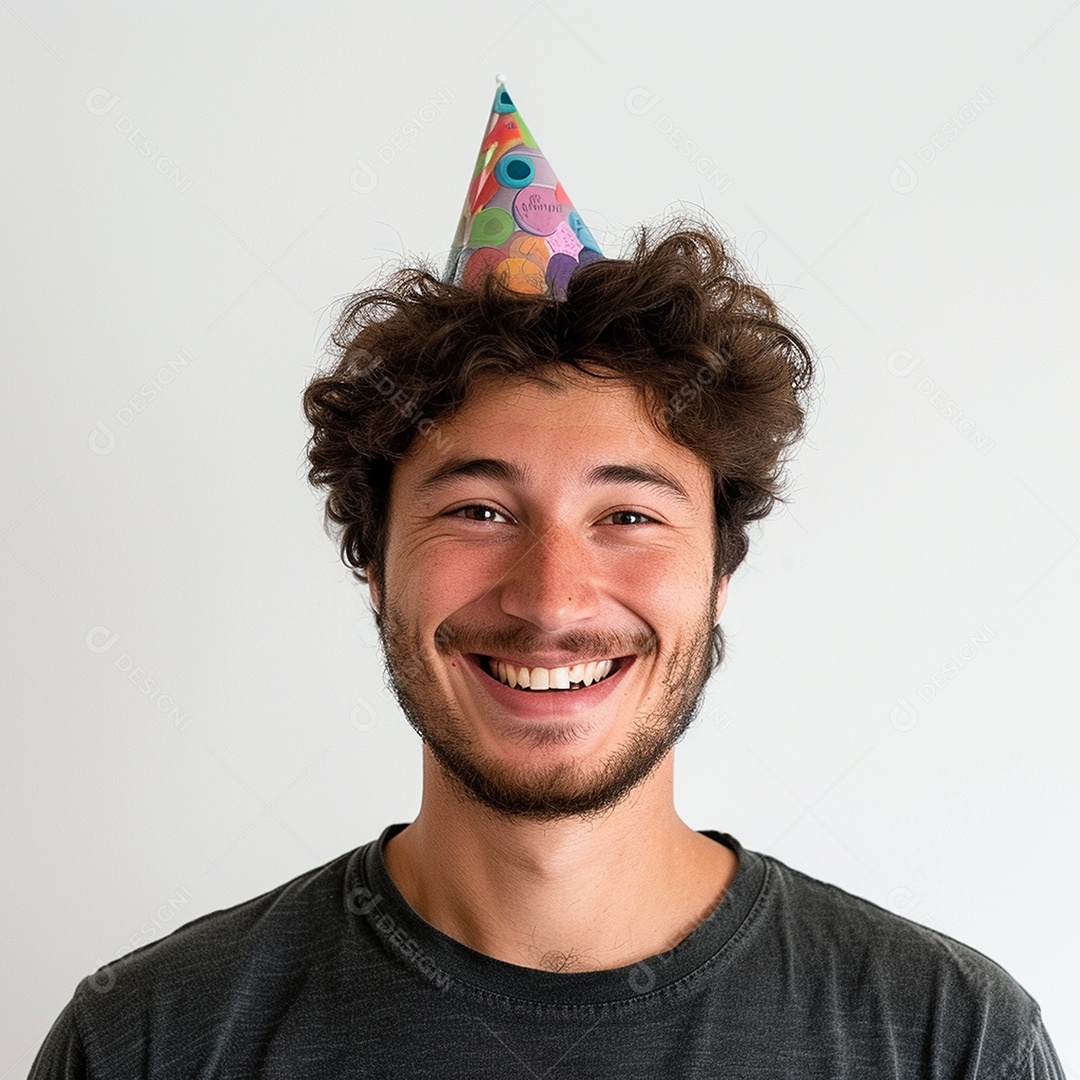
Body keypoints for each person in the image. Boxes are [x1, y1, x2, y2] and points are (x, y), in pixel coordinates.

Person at [30, 86, 1062, 1078]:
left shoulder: (947, 1040)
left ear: (720, 569)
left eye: (628, 516)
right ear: (372, 561)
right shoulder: (149, 1042)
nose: (552, 599)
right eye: (479, 511)